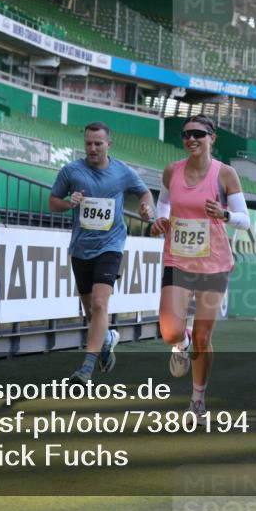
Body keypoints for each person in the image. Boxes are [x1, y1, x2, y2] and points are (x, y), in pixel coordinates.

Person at [151, 115, 249, 417]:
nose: (191, 139)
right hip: (177, 259)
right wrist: (160, 221)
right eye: (186, 134)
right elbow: (163, 205)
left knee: (205, 338)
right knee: (169, 331)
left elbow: (244, 220)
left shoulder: (225, 174)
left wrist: (224, 214)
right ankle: (183, 341)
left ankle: (197, 400)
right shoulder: (172, 171)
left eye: (198, 134)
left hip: (213, 263)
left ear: (212, 138)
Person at [49, 122, 155, 384]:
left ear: (109, 144)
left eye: (98, 143)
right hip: (81, 247)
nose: (92, 148)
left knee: (99, 303)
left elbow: (145, 193)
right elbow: (53, 203)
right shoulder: (71, 170)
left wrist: (146, 208)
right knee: (91, 311)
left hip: (111, 245)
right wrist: (68, 203)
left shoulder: (122, 172)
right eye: (88, 143)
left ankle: (86, 368)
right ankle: (107, 338)